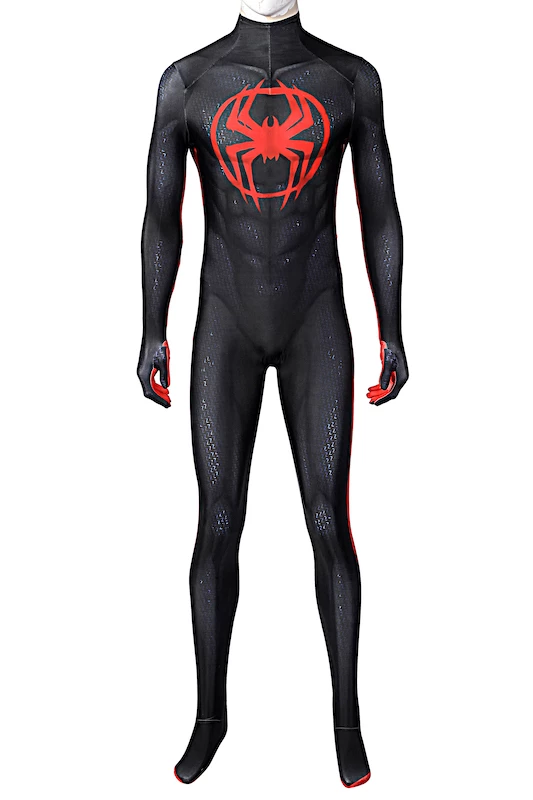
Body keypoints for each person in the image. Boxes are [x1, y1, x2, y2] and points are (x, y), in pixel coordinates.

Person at [137, 0, 408, 786]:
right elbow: (161, 219)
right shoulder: (186, 82)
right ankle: (208, 719)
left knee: (328, 522)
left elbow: (380, 212)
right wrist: (151, 329)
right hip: (223, 321)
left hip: (314, 317)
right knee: (217, 521)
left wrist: (391, 328)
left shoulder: (348, 81)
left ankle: (346, 721)